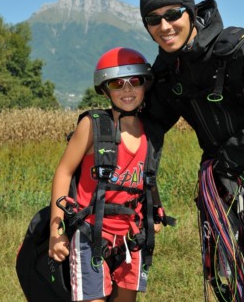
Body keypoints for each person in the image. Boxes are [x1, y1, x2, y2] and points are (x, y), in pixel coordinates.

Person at [139, 0, 244, 301]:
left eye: (173, 14)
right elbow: (150, 126)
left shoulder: (242, 52)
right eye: (153, 19)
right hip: (227, 183)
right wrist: (146, 188)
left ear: (190, 12)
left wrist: (230, 154)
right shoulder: (170, 72)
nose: (165, 26)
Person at [49, 47, 165, 302]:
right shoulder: (93, 126)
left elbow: (148, 176)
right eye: (116, 83)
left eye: (134, 81)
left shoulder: (151, 133)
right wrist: (56, 229)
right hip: (91, 233)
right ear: (104, 89)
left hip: (133, 237)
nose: (126, 89)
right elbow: (64, 171)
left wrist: (155, 209)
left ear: (145, 85)